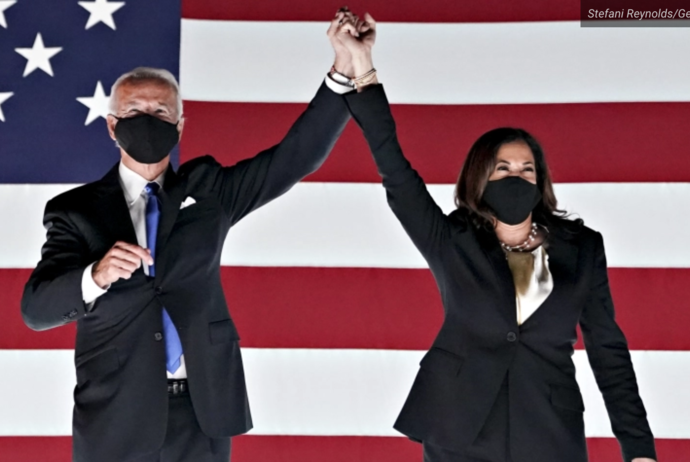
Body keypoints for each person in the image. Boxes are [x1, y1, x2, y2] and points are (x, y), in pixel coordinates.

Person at [20, 11, 364, 462]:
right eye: (134, 111)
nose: (148, 119)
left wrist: (343, 70)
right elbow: (36, 310)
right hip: (115, 418)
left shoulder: (209, 189)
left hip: (203, 413)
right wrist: (95, 276)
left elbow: (294, 158)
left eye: (161, 112)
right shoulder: (74, 211)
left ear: (180, 125)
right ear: (111, 125)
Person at [330, 11, 658, 462]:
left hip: (549, 433)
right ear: (480, 178)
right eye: (502, 168)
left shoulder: (582, 248)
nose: (515, 176)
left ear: (541, 179)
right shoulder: (452, 240)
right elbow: (398, 176)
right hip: (458, 430)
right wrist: (364, 70)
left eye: (526, 169)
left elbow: (608, 349)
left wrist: (639, 449)